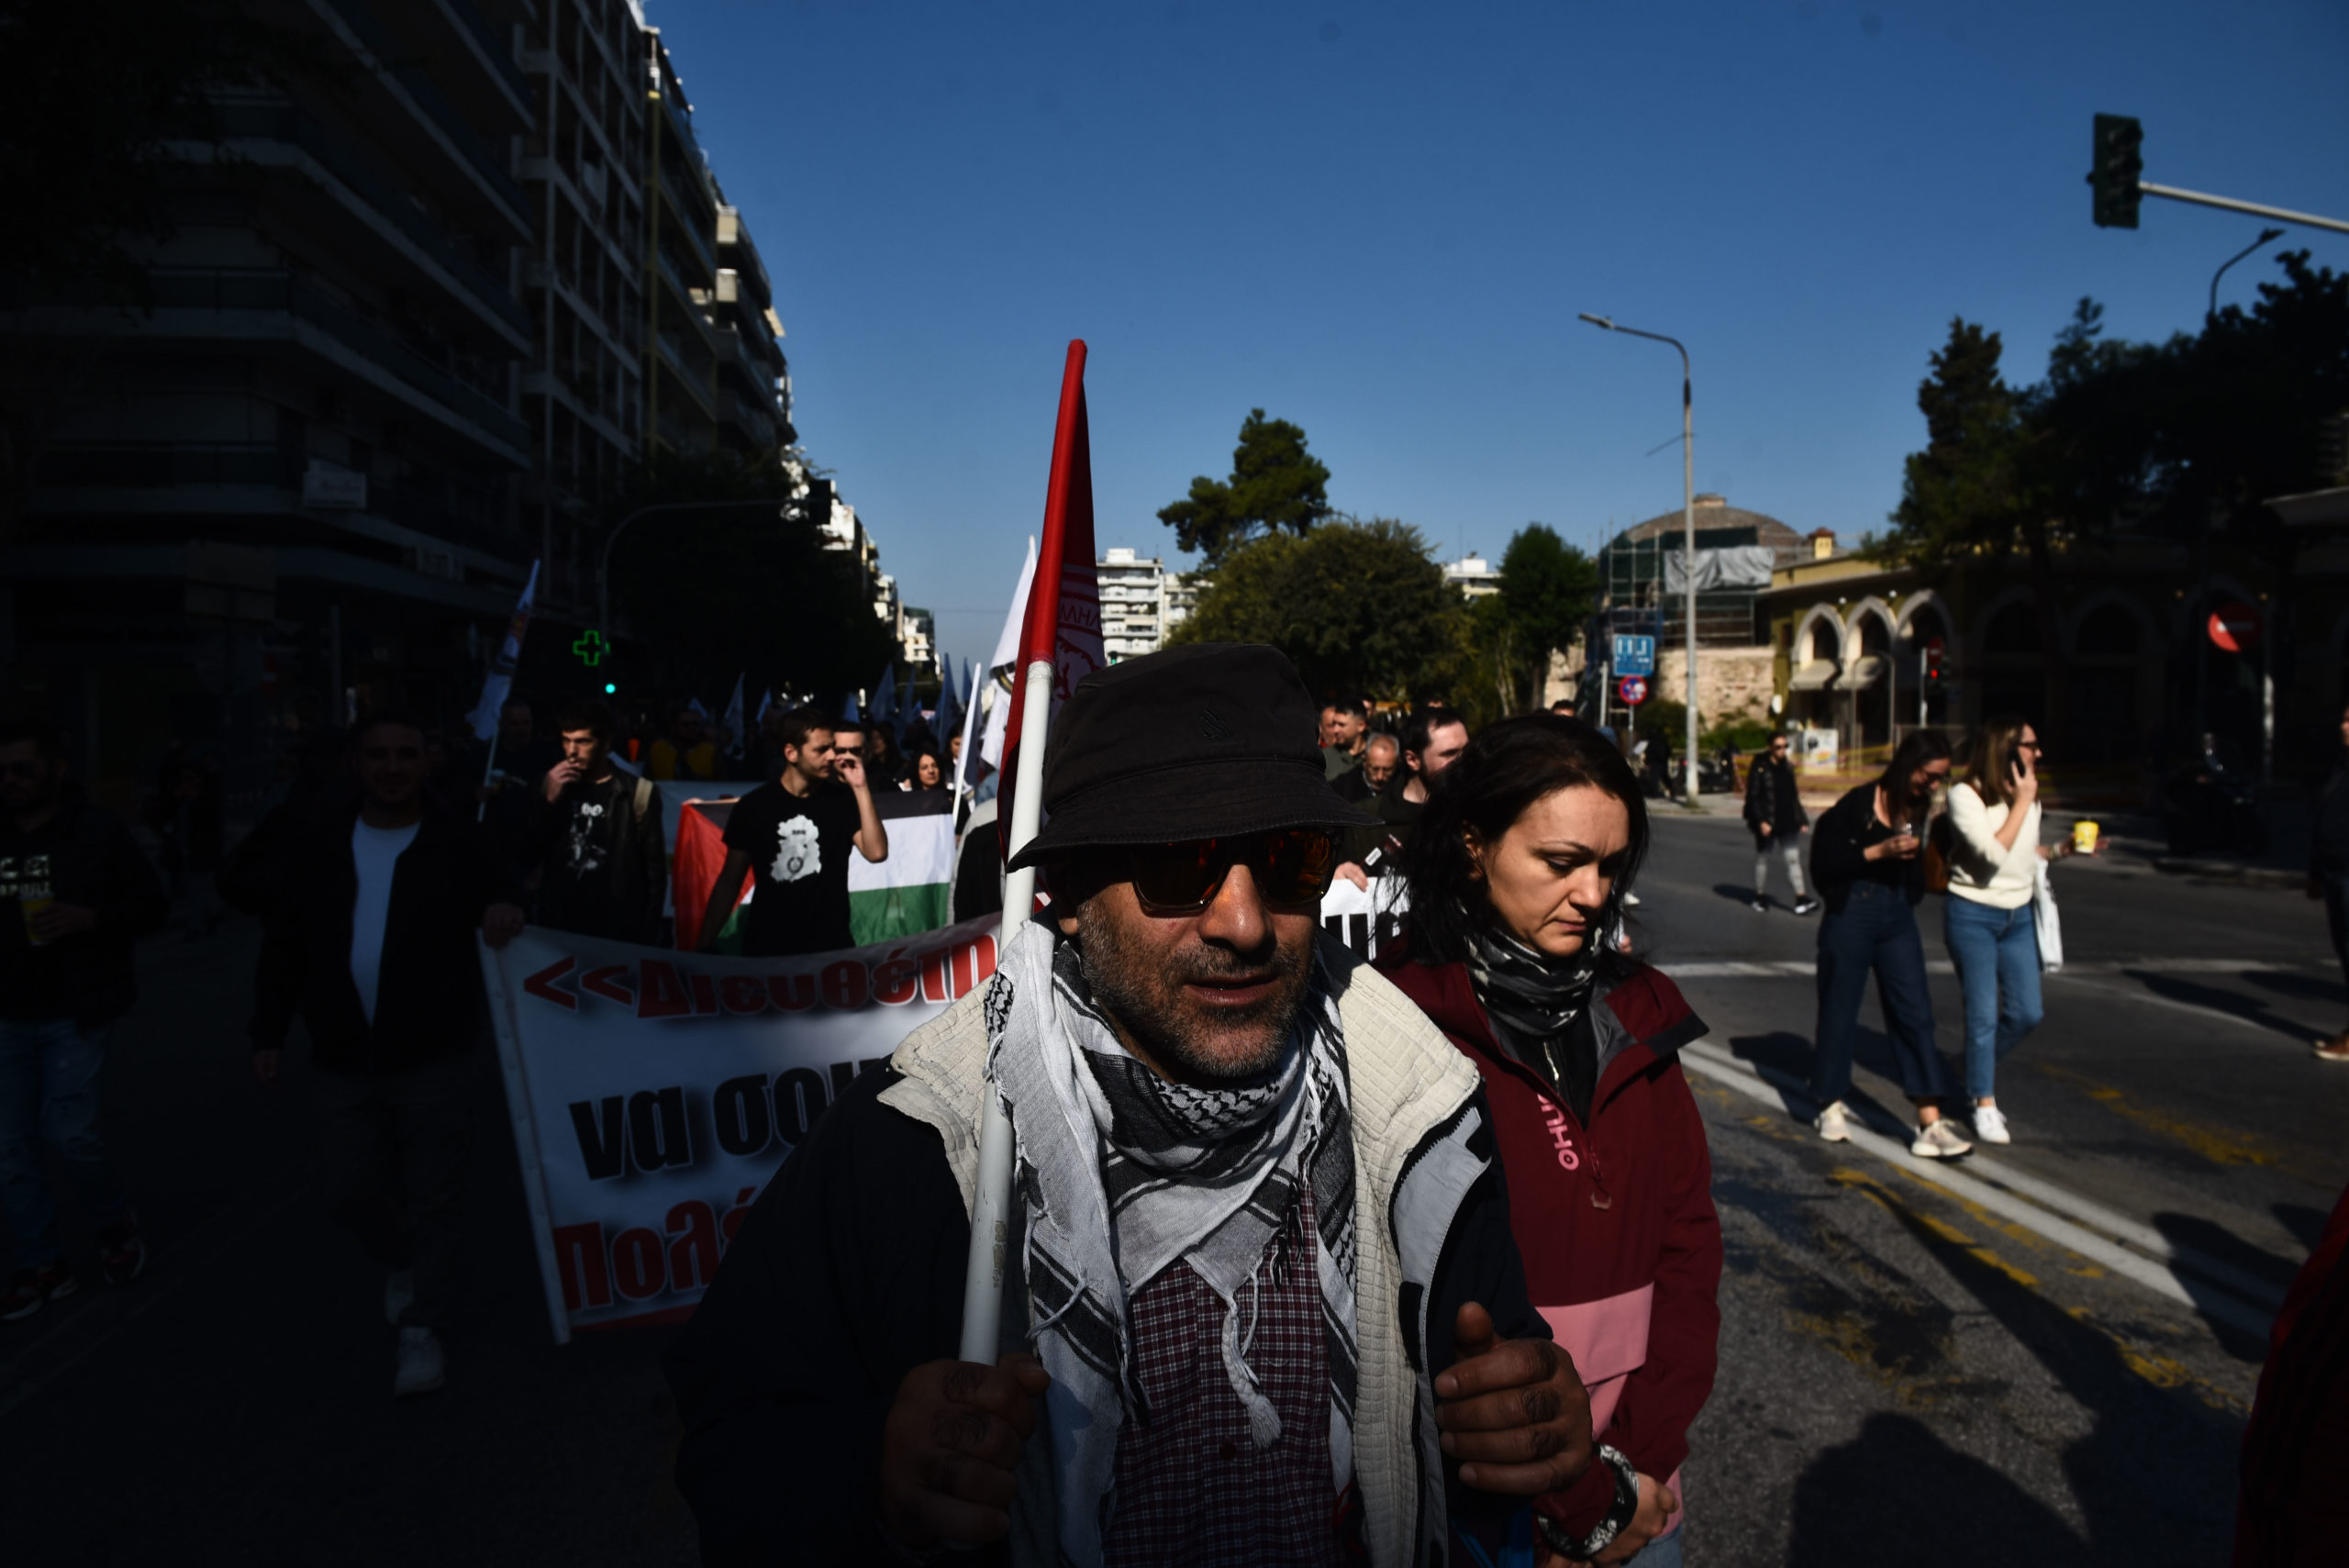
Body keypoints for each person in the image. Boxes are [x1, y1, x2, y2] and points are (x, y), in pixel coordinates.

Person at [666, 642, 1603, 1565]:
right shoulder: (922, 1136)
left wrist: (1527, 1417)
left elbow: (1491, 1373)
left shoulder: (1419, 1101)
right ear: (1069, 894)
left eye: (1286, 858)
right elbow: (735, 1438)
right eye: (1176, 862)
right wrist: (869, 1473)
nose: (1241, 923)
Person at [1382, 714, 1720, 1568]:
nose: (1595, 895)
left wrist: (1634, 1477)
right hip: (1486, 1522)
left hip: (1643, 1501)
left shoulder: (1642, 1014)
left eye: (1609, 866)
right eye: (1561, 863)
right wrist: (1575, 1504)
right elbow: (1433, 1339)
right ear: (1472, 844)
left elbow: (1689, 1252)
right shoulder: (1394, 1026)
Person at [250, 713, 525, 1395]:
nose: (392, 766)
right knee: (350, 1191)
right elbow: (286, 942)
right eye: (378, 754)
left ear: (427, 761)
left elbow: (509, 893)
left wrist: (503, 908)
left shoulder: (458, 839)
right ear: (356, 762)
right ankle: (402, 1258)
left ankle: (421, 1328)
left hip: (435, 1056)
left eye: (406, 753)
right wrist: (268, 1030)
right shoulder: (319, 842)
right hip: (345, 1057)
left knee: (436, 1196)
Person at [0, 718, 169, 1320]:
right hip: (7, 1011)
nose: (12, 781)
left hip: (76, 1007)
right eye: (3, 771)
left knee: (69, 1131)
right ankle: (41, 1261)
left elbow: (152, 902)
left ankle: (112, 1223)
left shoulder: (94, 831)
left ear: (55, 768)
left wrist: (89, 918)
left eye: (23, 768)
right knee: (10, 1148)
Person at [1807, 730, 1970, 1157]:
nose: (1933, 785)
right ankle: (1829, 1102)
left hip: (1896, 915)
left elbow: (1918, 872)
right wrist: (1876, 852)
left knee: (1914, 1012)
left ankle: (1930, 1122)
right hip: (1852, 912)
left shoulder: (1920, 809)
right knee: (1840, 1009)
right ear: (1908, 766)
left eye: (1941, 779)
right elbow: (1824, 864)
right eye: (1929, 776)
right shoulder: (1857, 806)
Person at [1943, 717, 2093, 1144]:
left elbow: (2024, 853)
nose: (2038, 753)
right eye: (2031, 745)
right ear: (2007, 750)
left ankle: (1968, 1065)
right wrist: (2023, 803)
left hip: (2018, 915)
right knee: (1983, 1014)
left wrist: (2063, 850)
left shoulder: (2028, 795)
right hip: (1973, 913)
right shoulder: (1965, 795)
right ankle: (1982, 1099)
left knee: (2028, 1012)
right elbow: (1992, 854)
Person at [696, 706, 885, 957]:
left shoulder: (842, 801)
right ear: (791, 753)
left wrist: (861, 788)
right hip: (768, 951)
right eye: (821, 749)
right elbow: (730, 881)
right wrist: (704, 943)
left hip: (830, 950)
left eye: (832, 747)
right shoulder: (754, 807)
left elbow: (876, 852)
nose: (831, 756)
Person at [530, 701, 666, 944]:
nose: (571, 751)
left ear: (605, 744)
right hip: (561, 923)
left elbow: (654, 875)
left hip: (614, 927)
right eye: (566, 740)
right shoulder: (552, 783)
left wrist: (645, 937)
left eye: (583, 742)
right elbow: (530, 849)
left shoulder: (638, 793)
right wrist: (548, 801)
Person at [2308, 703, 2349, 1063]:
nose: (2345, 725)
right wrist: (2315, 874)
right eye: (2345, 718)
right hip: (2335, 873)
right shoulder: (2340, 765)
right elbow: (2323, 820)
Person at [1742, 731, 1819, 915]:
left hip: (1787, 820)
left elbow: (1793, 795)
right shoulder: (1760, 767)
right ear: (1770, 748)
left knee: (1793, 859)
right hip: (1768, 821)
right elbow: (1753, 797)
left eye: (1785, 746)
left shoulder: (1788, 767)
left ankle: (1801, 898)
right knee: (1763, 858)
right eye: (1778, 747)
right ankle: (1759, 897)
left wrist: (1801, 818)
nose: (1782, 750)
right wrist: (1761, 821)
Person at [648, 706, 719, 782]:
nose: (691, 728)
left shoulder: (709, 752)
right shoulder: (657, 750)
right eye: (685, 724)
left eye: (695, 724)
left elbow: (722, 783)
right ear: (674, 726)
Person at [1321, 695, 1370, 781]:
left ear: (1361, 726)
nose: (1335, 730)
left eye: (1341, 725)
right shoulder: (1325, 757)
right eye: (1334, 724)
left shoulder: (1375, 754)